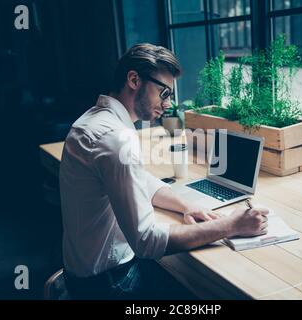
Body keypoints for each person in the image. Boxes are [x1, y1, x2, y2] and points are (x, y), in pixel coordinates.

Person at [59, 43, 269, 299]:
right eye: (164, 93)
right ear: (134, 79)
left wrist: (185, 206)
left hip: (83, 277)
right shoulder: (115, 138)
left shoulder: (95, 120)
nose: (168, 104)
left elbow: (139, 180)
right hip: (110, 285)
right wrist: (231, 225)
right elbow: (146, 241)